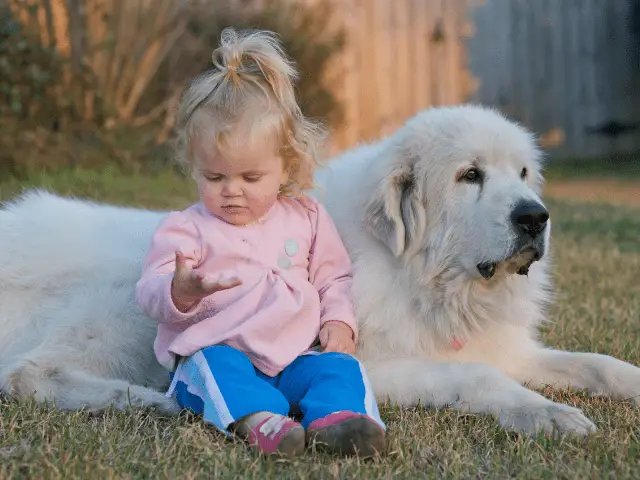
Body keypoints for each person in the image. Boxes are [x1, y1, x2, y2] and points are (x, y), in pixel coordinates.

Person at [135, 27, 385, 458]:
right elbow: (150, 293)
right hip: (221, 355)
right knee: (216, 369)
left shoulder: (306, 217)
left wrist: (340, 321)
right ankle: (259, 422)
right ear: (194, 168)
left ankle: (341, 421)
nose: (231, 190)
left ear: (285, 167)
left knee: (338, 367)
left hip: (294, 357)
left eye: (251, 177)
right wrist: (181, 290)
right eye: (214, 177)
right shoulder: (186, 229)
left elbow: (333, 277)